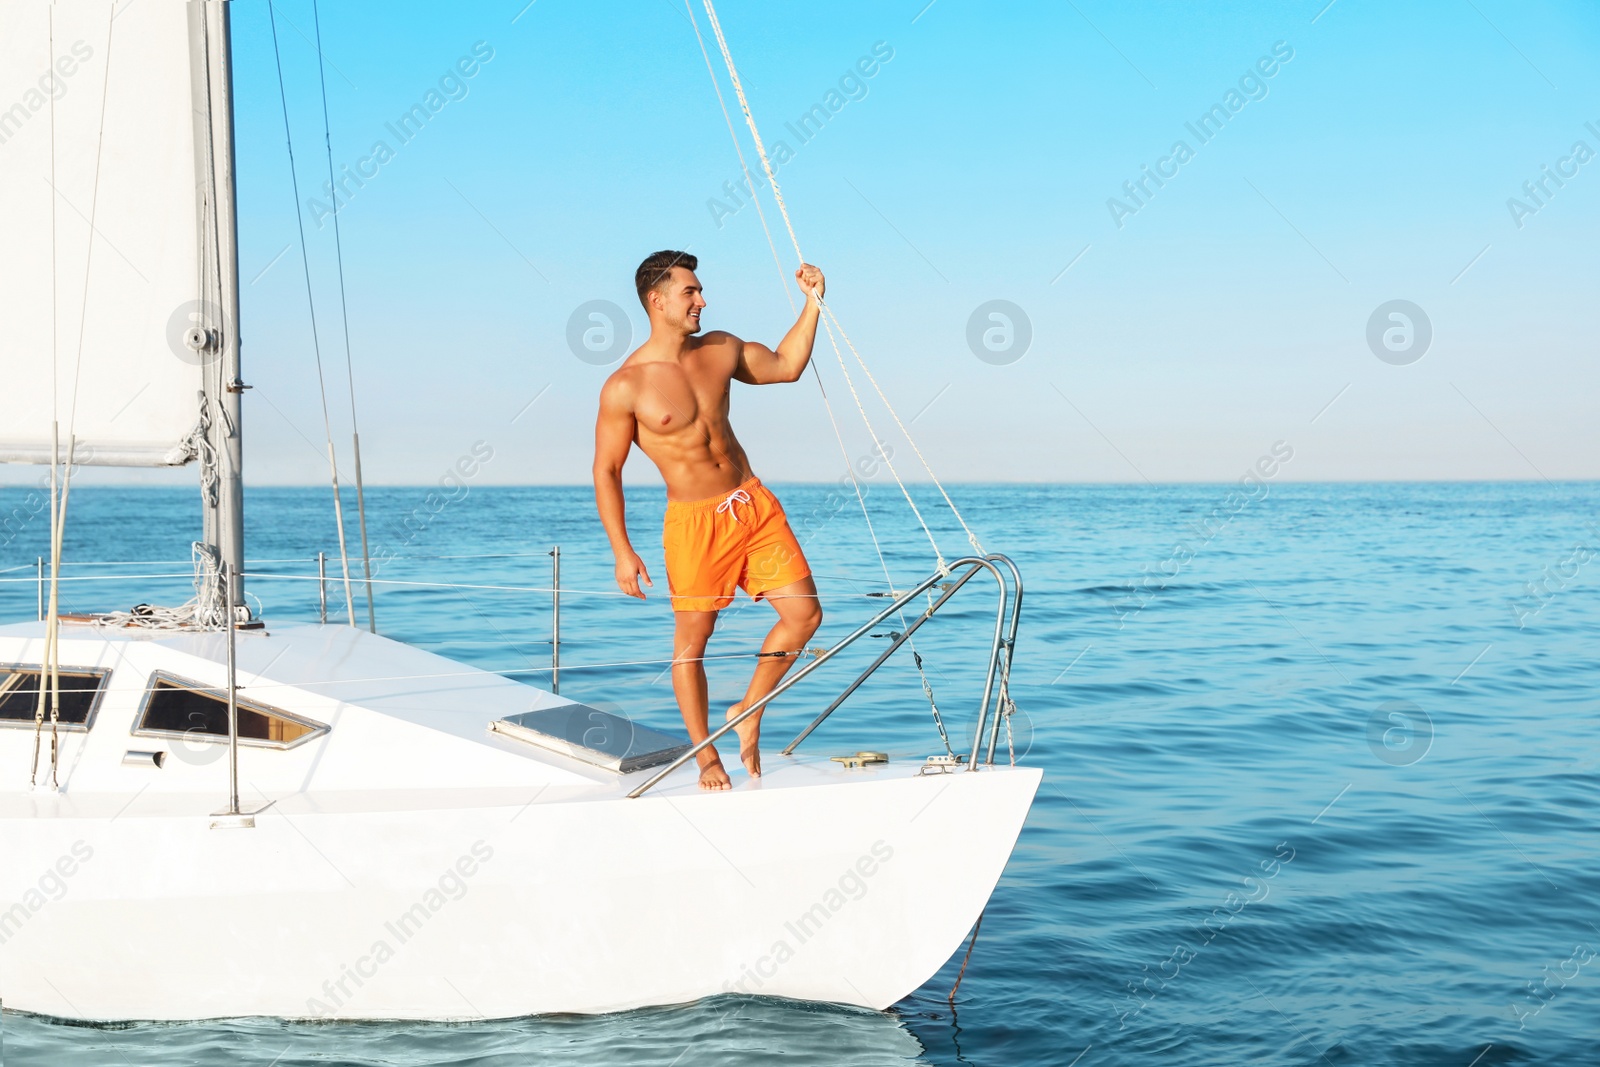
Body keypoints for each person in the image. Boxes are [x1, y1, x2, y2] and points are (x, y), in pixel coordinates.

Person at [593, 250, 825, 790]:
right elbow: (607, 470)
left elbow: (786, 367)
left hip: (752, 505)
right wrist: (621, 550)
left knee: (805, 616)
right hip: (694, 525)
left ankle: (748, 709)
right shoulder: (625, 385)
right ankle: (706, 758)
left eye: (700, 291)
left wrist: (812, 301)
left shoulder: (720, 349)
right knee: (692, 644)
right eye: (690, 292)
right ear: (657, 300)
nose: (702, 300)